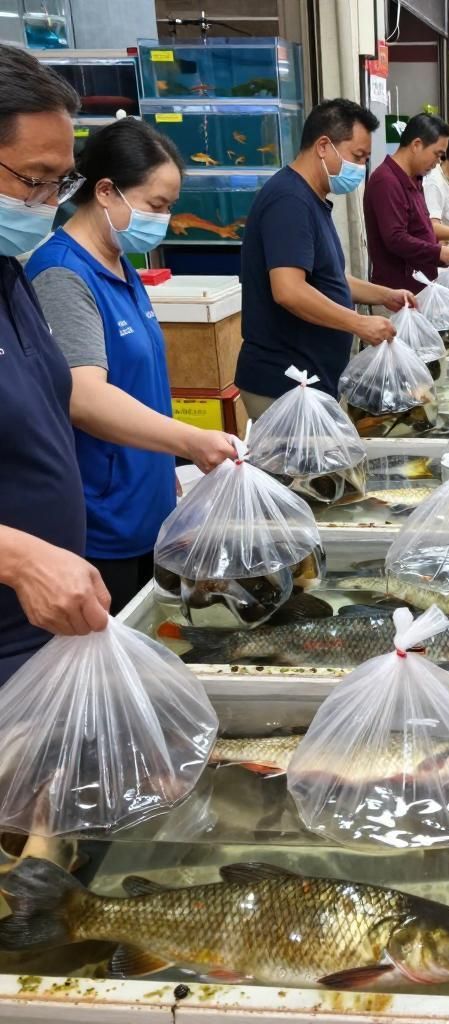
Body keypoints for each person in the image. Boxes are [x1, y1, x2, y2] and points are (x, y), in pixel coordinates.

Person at [26, 119, 235, 613]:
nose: (163, 219)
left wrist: (175, 463)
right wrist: (190, 440)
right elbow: (84, 396)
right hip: (105, 522)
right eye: (156, 205)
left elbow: (140, 383)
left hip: (150, 506)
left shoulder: (119, 264)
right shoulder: (62, 274)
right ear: (105, 191)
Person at [0, 44, 110, 684]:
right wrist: (15, 558)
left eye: (60, 182)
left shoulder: (10, 274)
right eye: (34, 178)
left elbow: (59, 396)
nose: (50, 202)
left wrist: (190, 442)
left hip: (44, 638)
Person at [236, 99, 415, 420]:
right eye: (357, 156)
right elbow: (289, 290)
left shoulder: (311, 198)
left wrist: (384, 295)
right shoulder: (289, 201)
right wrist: (358, 323)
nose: (360, 168)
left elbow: (329, 278)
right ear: (323, 146)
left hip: (309, 380)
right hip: (284, 383)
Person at [363, 113, 449, 293]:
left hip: (420, 287)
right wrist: (438, 253)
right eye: (437, 154)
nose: (437, 163)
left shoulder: (414, 178)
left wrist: (440, 251)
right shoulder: (386, 181)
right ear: (416, 145)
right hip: (396, 294)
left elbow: (420, 229)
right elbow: (396, 238)